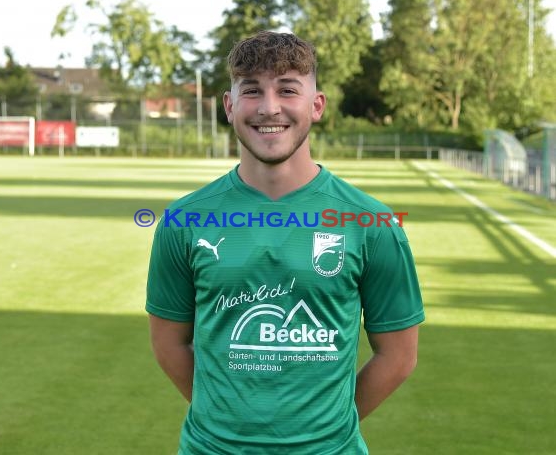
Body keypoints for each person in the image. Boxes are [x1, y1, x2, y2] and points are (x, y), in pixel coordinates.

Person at [146, 31, 424, 454]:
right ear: (229, 106)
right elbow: (169, 344)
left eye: (287, 89)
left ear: (316, 106)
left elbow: (399, 357)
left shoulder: (372, 222)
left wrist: (324, 429)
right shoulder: (184, 221)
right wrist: (226, 423)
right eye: (252, 90)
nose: (269, 107)